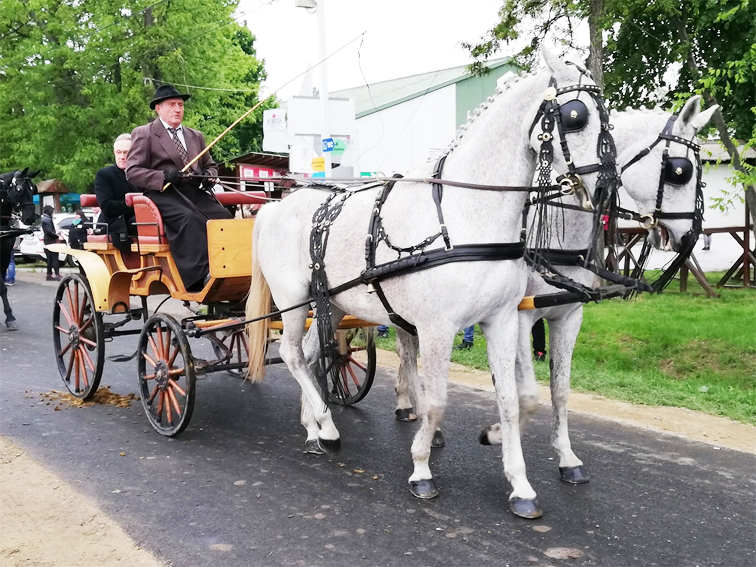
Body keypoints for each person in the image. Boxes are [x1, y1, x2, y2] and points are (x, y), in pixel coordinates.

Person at [126, 84, 232, 291]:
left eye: (181, 105)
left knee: (224, 218)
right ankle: (200, 276)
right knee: (189, 219)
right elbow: (133, 171)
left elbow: (210, 165)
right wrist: (163, 176)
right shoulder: (144, 134)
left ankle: (228, 268)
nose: (177, 109)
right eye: (172, 105)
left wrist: (209, 176)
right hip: (163, 194)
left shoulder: (196, 136)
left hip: (194, 192)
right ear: (158, 108)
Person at [94, 133, 137, 253]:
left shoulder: (142, 174)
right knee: (144, 223)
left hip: (139, 218)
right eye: (118, 152)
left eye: (126, 152)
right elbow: (107, 206)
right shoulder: (105, 175)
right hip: (115, 222)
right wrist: (134, 205)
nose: (122, 156)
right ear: (114, 153)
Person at [41, 205, 61, 281]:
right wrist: (57, 237)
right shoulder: (48, 219)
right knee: (55, 258)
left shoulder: (44, 218)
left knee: (49, 259)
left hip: (46, 241)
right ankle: (57, 274)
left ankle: (49, 274)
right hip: (51, 240)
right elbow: (49, 231)